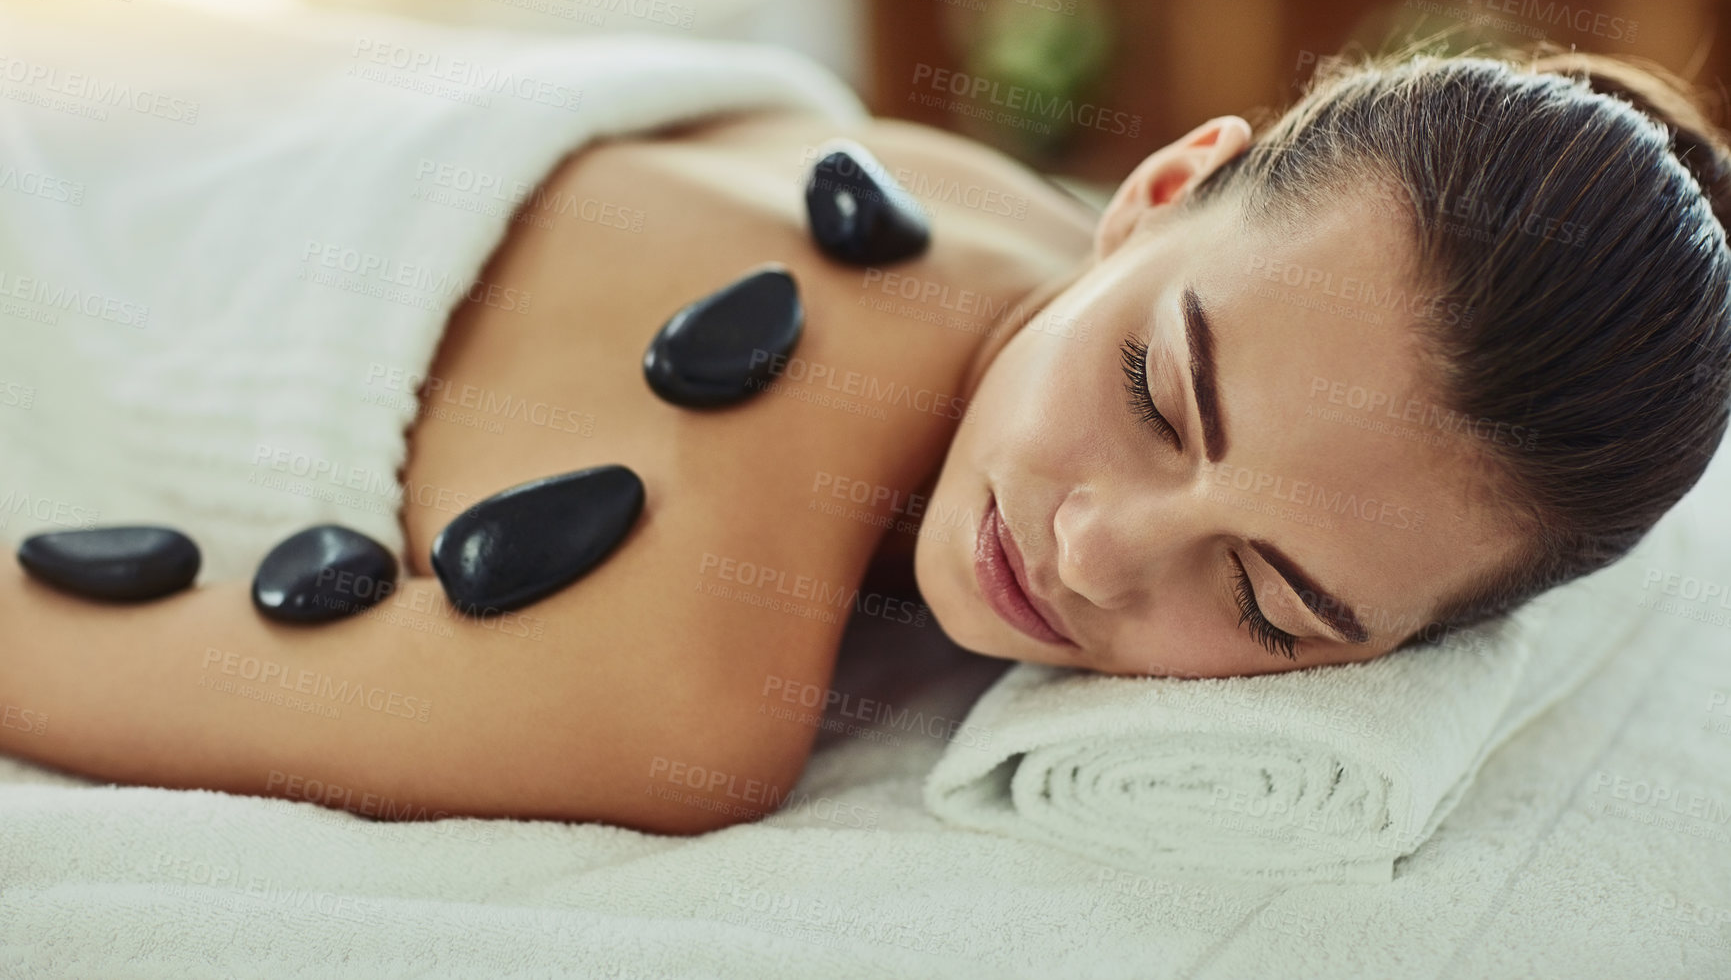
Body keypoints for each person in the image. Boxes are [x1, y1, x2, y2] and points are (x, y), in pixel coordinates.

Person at [2, 48, 1727, 835]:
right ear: (1154, 194)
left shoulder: (998, 227)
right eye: (1156, 392)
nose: (1098, 549)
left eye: (1273, 605)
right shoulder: (691, 687)